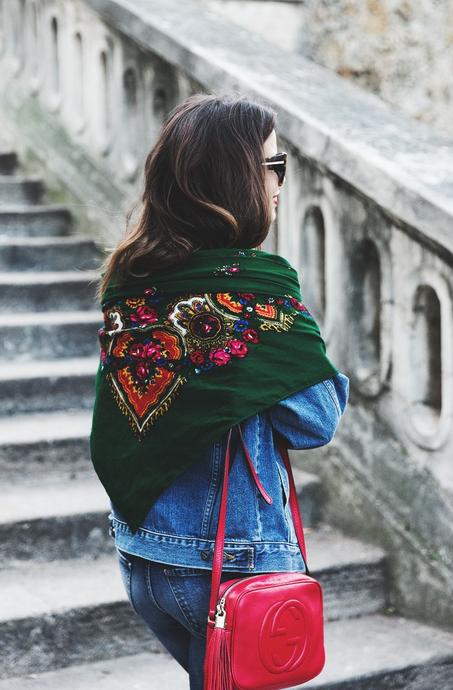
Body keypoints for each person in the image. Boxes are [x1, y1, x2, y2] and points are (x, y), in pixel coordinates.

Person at [90, 93, 349, 690]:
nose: (280, 183)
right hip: (230, 566)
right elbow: (318, 421)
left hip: (146, 559)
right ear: (237, 180)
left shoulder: (132, 281)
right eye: (273, 167)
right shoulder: (256, 297)